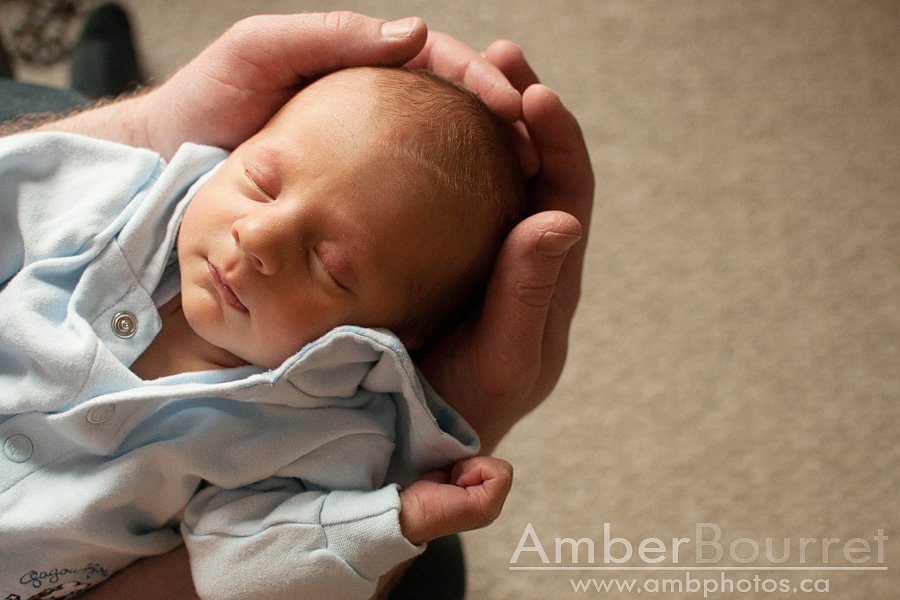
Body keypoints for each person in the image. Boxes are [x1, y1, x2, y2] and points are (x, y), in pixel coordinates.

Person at [2, 10, 593, 600]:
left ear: (389, 335)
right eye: (260, 181)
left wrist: (384, 528)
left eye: (328, 266)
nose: (257, 237)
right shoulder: (104, 197)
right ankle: (99, 71)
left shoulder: (322, 438)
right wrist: (139, 123)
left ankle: (93, 70)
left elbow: (245, 571)